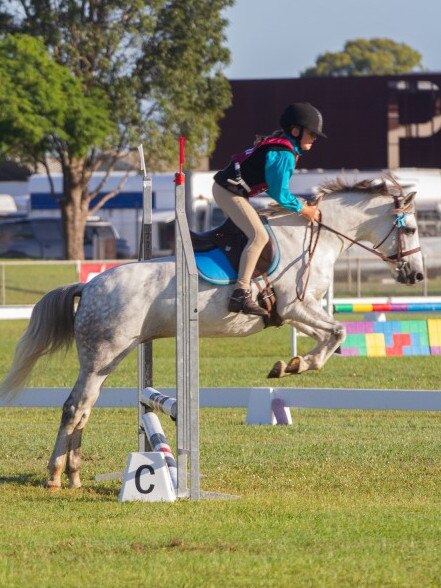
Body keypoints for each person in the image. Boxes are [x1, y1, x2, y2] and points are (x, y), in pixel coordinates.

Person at [212, 102, 326, 316]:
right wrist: (305, 210)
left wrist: (301, 205)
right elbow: (279, 193)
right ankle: (241, 293)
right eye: (311, 133)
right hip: (228, 191)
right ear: (296, 131)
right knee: (259, 236)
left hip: (233, 190)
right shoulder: (285, 154)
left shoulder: (283, 145)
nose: (314, 138)